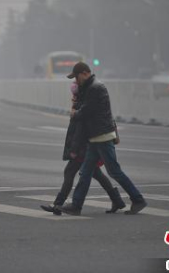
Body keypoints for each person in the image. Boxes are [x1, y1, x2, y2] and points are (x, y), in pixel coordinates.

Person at [57, 62, 147, 216]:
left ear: (85, 73)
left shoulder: (95, 88)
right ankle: (76, 206)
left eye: (77, 77)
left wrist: (75, 113)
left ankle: (138, 199)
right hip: (95, 137)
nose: (76, 81)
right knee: (85, 173)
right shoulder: (90, 87)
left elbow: (86, 111)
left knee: (114, 171)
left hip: (102, 136)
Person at [40, 81, 125, 215]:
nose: (72, 97)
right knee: (97, 174)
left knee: (69, 172)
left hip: (82, 148)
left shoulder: (80, 107)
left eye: (74, 94)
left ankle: (58, 205)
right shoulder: (82, 104)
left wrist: (73, 150)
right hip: (87, 147)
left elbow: (79, 131)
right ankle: (117, 200)